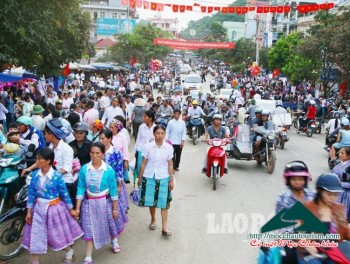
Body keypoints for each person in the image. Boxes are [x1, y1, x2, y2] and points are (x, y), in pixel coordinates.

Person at [22, 148, 83, 264]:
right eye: (36, 159)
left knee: (57, 236)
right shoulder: (35, 175)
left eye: (40, 159)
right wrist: (29, 212)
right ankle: (34, 262)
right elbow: (31, 194)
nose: (37, 161)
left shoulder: (57, 176)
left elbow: (65, 194)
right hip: (37, 211)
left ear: (48, 161)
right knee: (35, 237)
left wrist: (71, 210)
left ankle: (69, 252)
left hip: (53, 210)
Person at [76, 142, 120, 263]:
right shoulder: (84, 169)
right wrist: (78, 208)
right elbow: (80, 188)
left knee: (109, 223)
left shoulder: (109, 170)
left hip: (105, 202)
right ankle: (88, 256)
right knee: (88, 228)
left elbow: (113, 190)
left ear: (102, 154)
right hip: (89, 203)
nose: (94, 156)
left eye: (97, 153)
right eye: (92, 153)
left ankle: (114, 240)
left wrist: (115, 209)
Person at [296, 173, 350, 263]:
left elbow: (345, 230)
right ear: (319, 191)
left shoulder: (339, 208)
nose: (333, 198)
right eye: (329, 194)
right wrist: (306, 245)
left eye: (335, 194)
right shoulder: (306, 207)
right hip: (309, 252)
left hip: (333, 251)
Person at [137, 125, 174, 236]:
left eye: (162, 133)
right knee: (151, 201)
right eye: (157, 133)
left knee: (164, 202)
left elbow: (170, 164)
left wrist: (171, 180)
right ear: (154, 134)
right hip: (149, 176)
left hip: (163, 177)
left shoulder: (168, 148)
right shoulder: (148, 146)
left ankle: (164, 227)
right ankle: (153, 219)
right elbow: (143, 163)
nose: (160, 135)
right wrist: (140, 177)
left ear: (165, 134)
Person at [275, 161, 315, 263]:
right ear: (288, 180)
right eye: (294, 179)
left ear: (305, 180)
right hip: (289, 235)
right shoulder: (282, 197)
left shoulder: (313, 195)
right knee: (288, 257)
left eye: (300, 179)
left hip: (312, 234)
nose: (297, 182)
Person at [99, 130, 128, 240]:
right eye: (100, 138)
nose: (101, 140)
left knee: (114, 207)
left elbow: (119, 169)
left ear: (110, 139)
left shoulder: (116, 152)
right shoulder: (97, 151)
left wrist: (119, 185)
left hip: (113, 184)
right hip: (100, 184)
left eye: (103, 138)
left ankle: (115, 233)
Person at [134, 110, 156, 186]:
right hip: (141, 151)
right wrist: (135, 151)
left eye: (145, 117)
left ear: (150, 118)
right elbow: (138, 139)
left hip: (151, 152)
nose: (143, 118)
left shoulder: (155, 128)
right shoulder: (141, 127)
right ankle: (140, 183)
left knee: (148, 169)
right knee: (140, 168)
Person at [332, 148, 350, 222]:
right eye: (339, 153)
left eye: (342, 153)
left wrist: (341, 184)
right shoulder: (338, 163)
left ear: (349, 156)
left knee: (342, 216)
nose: (340, 154)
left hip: (346, 195)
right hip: (336, 191)